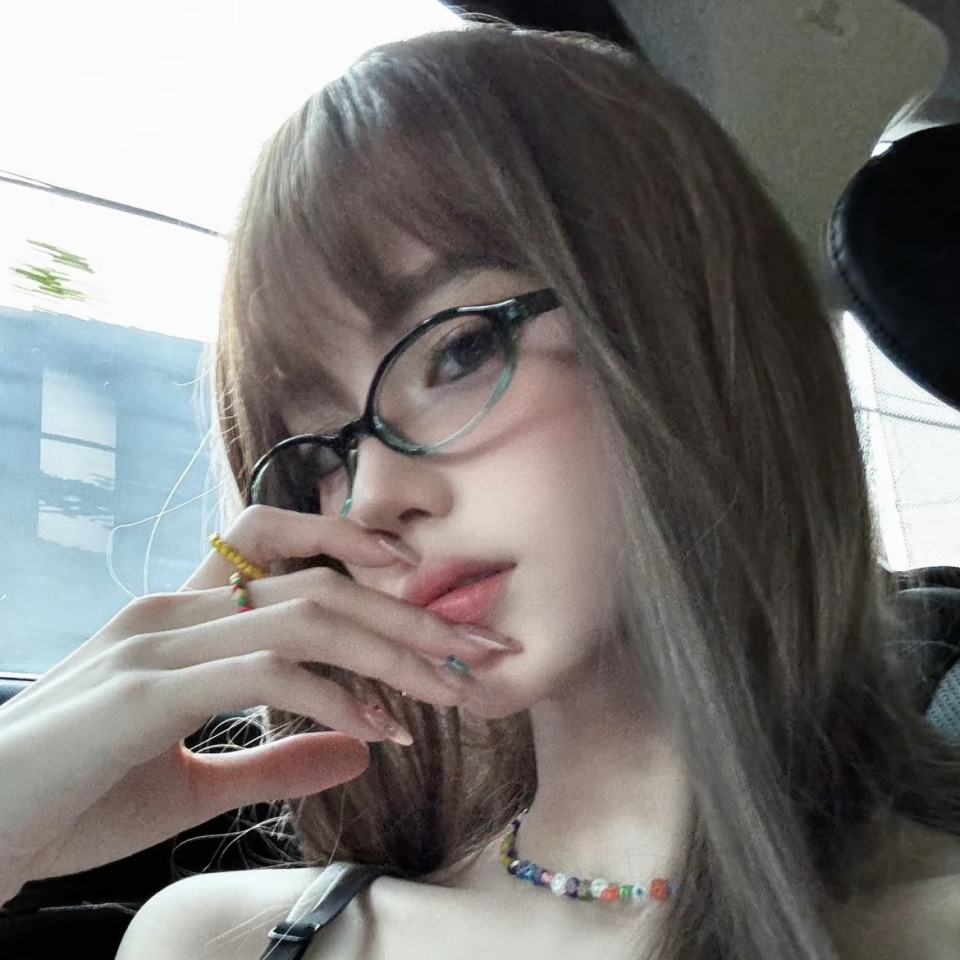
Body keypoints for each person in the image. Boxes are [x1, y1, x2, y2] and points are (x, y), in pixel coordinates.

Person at [3, 22, 960, 960]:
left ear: (693, 331)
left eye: (459, 351)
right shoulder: (223, 938)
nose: (367, 500)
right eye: (320, 455)